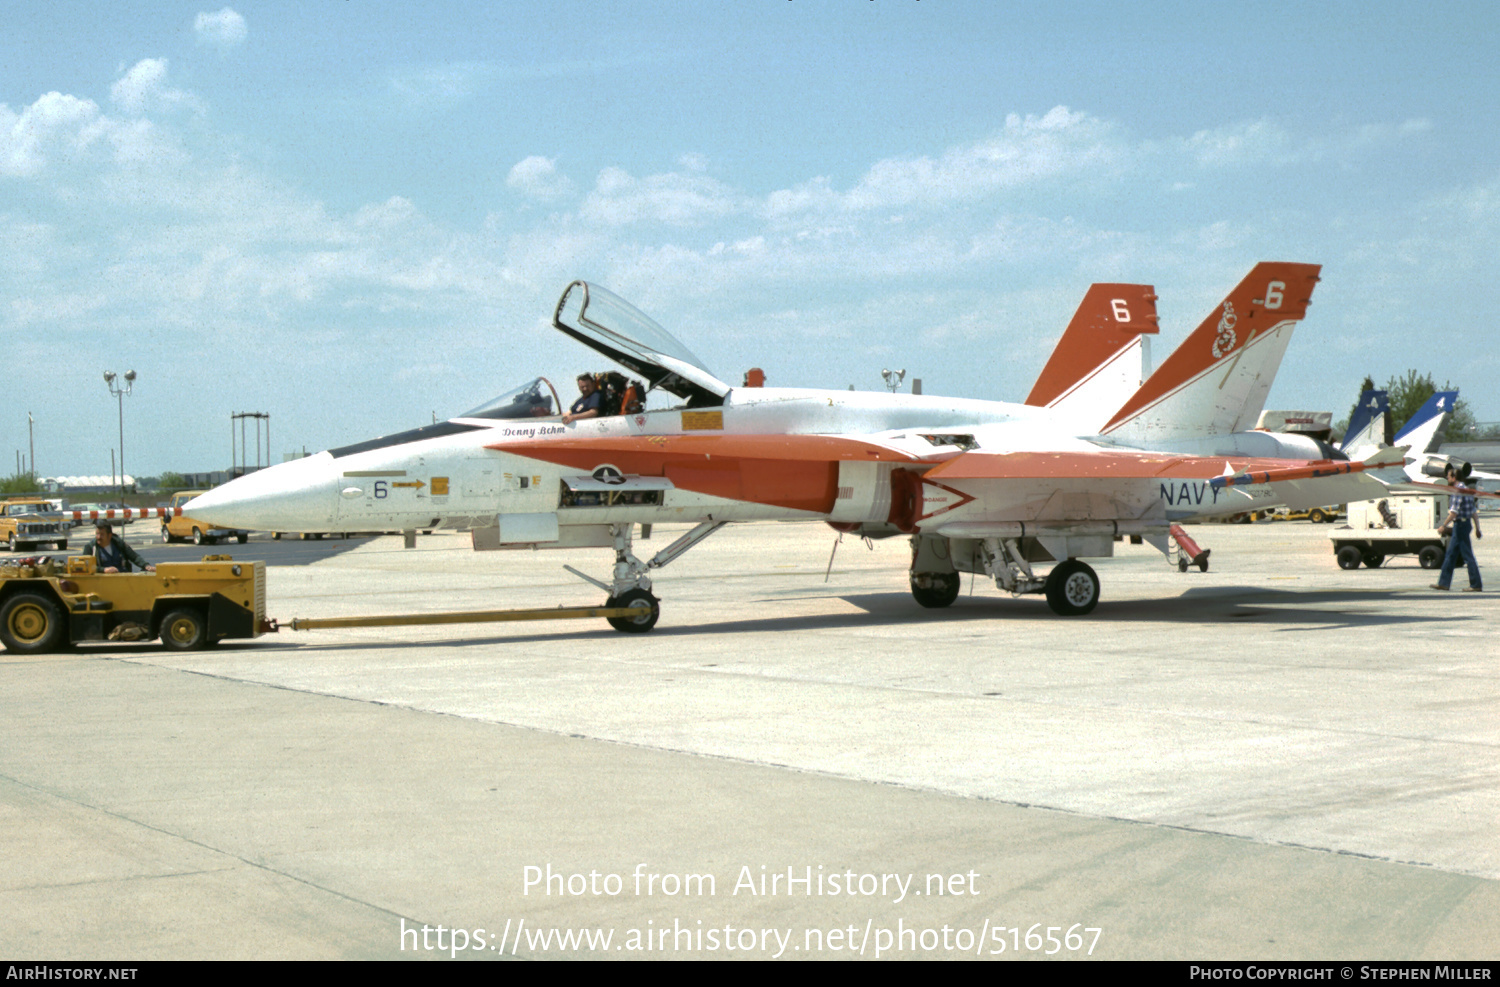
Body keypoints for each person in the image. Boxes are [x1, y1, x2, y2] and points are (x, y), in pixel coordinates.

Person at [1433, 465, 1482, 592]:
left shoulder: (1456, 491)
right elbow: (1473, 512)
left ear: (1454, 478)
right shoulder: (1467, 490)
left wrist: (1443, 525)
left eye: (1448, 476)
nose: (1447, 478)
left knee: (1467, 555)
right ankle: (1444, 583)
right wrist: (1477, 528)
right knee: (1450, 554)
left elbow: (1453, 512)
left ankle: (1476, 584)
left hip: (1460, 525)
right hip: (1465, 525)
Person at [89, 522, 156, 573]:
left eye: (102, 534)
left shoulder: (119, 544)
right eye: (97, 534)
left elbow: (134, 557)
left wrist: (146, 566)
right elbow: (86, 567)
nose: (98, 537)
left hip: (124, 579)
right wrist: (103, 570)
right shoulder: (90, 548)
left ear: (109, 535)